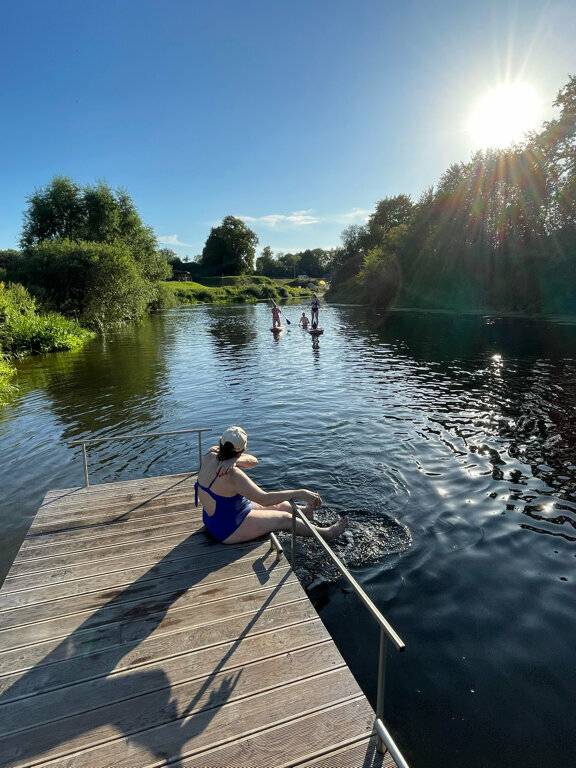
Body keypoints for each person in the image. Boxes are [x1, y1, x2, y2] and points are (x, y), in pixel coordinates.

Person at [195, 425, 347, 544]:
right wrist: (300, 492)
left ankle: (306, 512)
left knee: (284, 505)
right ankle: (327, 533)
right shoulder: (233, 475)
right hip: (226, 529)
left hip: (217, 517)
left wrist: (235, 460)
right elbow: (264, 499)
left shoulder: (210, 454)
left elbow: (253, 461)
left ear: (221, 441)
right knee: (284, 518)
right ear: (243, 449)